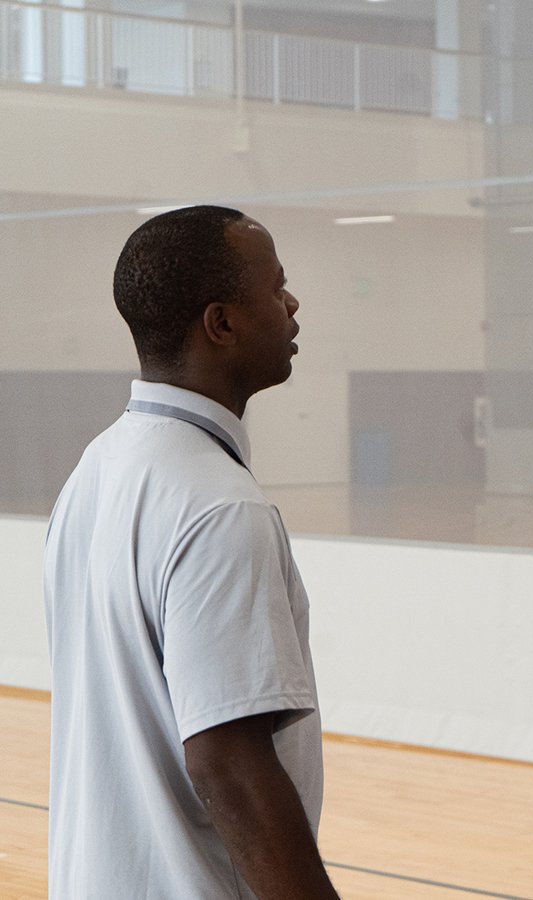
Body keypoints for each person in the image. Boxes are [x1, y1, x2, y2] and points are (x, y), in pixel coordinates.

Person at [43, 206, 339, 898]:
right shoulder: (221, 507)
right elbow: (228, 763)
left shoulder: (94, 472)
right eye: (276, 287)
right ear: (222, 323)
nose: (292, 304)